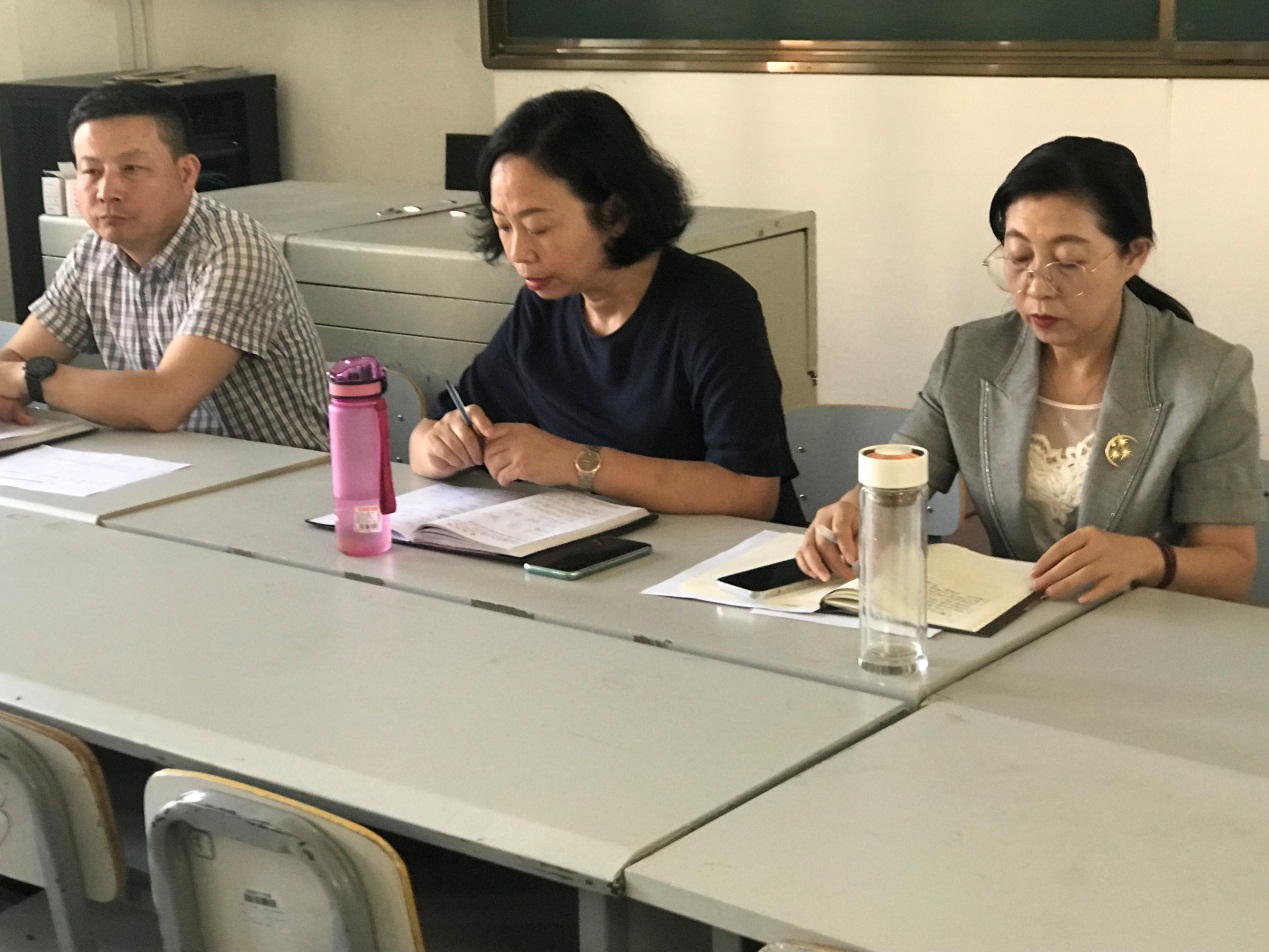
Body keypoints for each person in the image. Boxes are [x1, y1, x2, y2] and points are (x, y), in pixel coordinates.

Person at [799, 136, 1262, 602]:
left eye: (1068, 263)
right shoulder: (972, 355)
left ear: (1133, 256)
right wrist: (850, 511)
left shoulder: (1206, 375)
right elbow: (902, 472)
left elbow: (1232, 568)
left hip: (1145, 624)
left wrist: (1146, 557)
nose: (1037, 287)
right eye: (1019, 258)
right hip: (1009, 619)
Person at [408, 89, 801, 524]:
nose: (518, 253)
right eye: (504, 225)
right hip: (597, 545)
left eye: (539, 228)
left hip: (721, 557)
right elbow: (430, 433)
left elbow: (751, 492)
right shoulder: (542, 306)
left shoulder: (712, 307)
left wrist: (576, 463)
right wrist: (439, 450)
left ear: (615, 215)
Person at [0, 82, 329, 452]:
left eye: (131, 168)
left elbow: (162, 403)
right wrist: (10, 383)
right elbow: (15, 358)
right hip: (168, 463)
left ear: (186, 174)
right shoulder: (93, 252)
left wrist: (28, 380)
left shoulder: (234, 251)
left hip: (284, 471)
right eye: (91, 171)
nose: (107, 191)